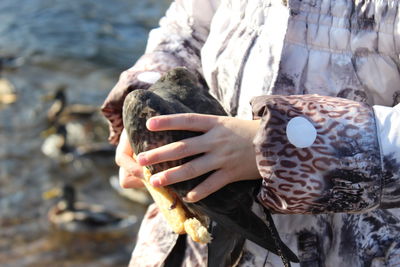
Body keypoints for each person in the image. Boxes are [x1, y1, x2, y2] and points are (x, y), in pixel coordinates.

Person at [101, 0, 400, 266]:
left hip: (353, 250)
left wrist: (281, 148)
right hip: (197, 239)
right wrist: (149, 107)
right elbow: (187, 31)